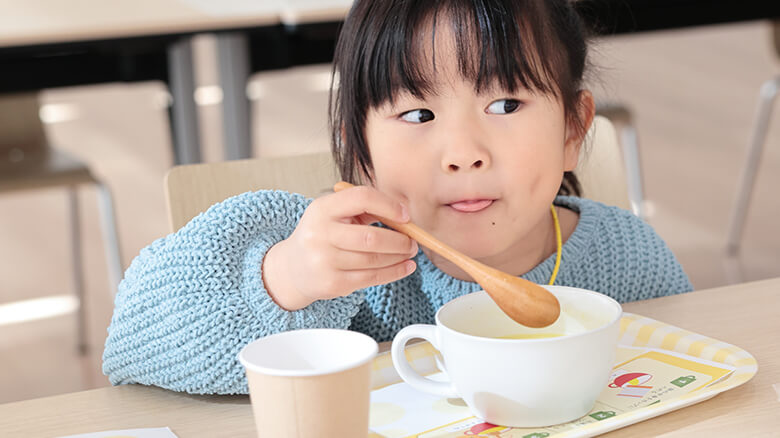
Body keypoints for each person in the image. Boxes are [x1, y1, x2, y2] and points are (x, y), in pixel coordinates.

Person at [103, 0, 692, 395]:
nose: (463, 152)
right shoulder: (339, 267)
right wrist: (286, 278)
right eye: (418, 113)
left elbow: (692, 375)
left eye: (506, 105)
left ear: (572, 130)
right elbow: (133, 344)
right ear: (359, 151)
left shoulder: (628, 258)